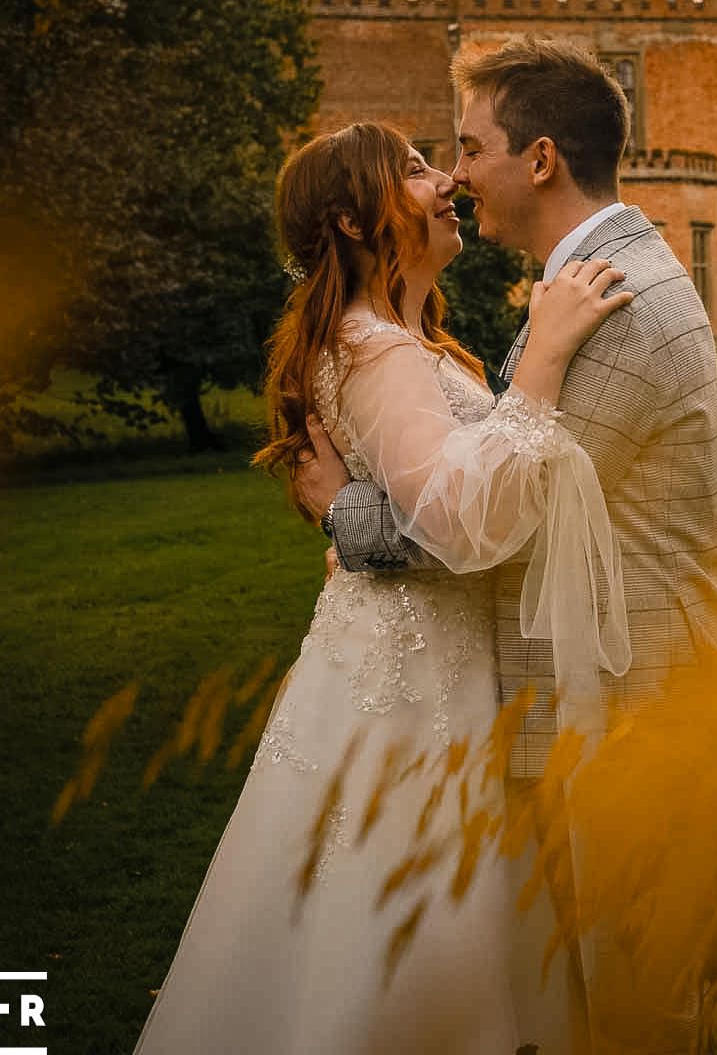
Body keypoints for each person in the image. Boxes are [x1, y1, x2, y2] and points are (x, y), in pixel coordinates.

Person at [132, 120, 633, 1055]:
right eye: (411, 171)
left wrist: (349, 519)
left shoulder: (405, 341)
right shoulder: (376, 349)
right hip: (414, 690)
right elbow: (457, 519)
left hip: (413, 660)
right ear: (354, 222)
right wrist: (545, 360)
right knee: (408, 942)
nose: (446, 179)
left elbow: (424, 498)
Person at [296, 38, 717, 1053]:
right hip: (598, 712)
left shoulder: (613, 303)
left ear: (538, 158)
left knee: (640, 1019)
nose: (454, 174)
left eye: (468, 146)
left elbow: (505, 515)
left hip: (643, 719)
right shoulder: (586, 280)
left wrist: (346, 515)